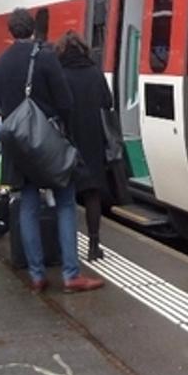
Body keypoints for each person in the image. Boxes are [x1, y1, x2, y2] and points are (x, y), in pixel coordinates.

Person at [0, 8, 102, 294]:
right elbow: (65, 102)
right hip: (47, 143)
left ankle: (37, 275)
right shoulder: (45, 57)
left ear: (11, 31)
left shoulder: (0, 64)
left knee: (27, 205)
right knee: (65, 204)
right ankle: (70, 275)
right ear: (32, 29)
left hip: (17, 146)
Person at [55, 30, 114, 261]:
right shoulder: (94, 73)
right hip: (93, 141)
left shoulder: (60, 75)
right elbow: (107, 103)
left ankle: (67, 247)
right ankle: (93, 245)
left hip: (68, 141)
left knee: (67, 196)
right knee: (92, 194)